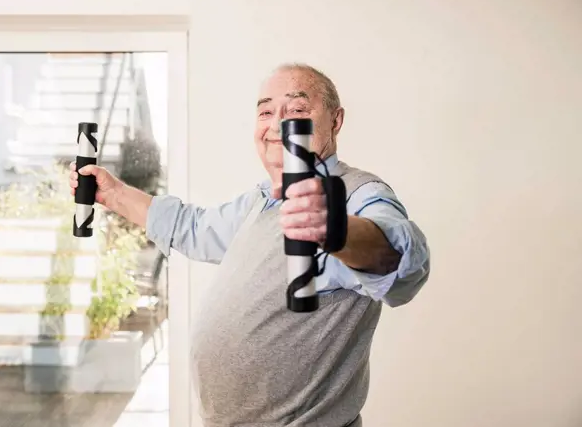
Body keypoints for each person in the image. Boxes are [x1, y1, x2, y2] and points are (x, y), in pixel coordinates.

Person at [69, 63, 431, 427]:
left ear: (335, 121)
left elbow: (402, 261)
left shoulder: (355, 192)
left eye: (297, 110)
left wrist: (333, 228)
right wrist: (114, 194)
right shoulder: (261, 200)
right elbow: (193, 228)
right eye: (266, 111)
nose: (277, 125)